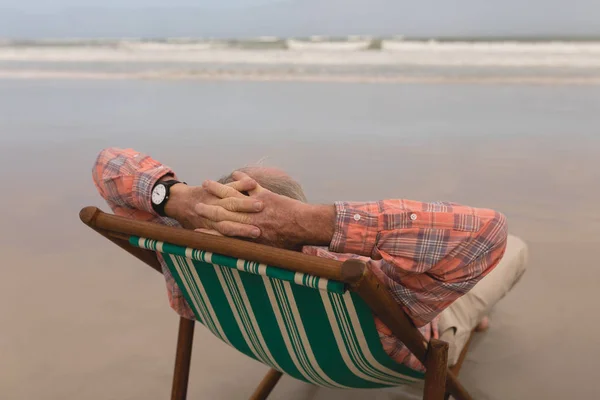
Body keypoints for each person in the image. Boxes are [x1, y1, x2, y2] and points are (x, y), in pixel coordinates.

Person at [92, 147, 527, 370]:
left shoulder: (186, 248)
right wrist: (310, 221)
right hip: (407, 349)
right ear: (291, 222)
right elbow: (490, 232)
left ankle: (472, 313)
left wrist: (175, 198)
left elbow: (109, 164)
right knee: (516, 249)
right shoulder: (352, 280)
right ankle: (471, 318)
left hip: (263, 340)